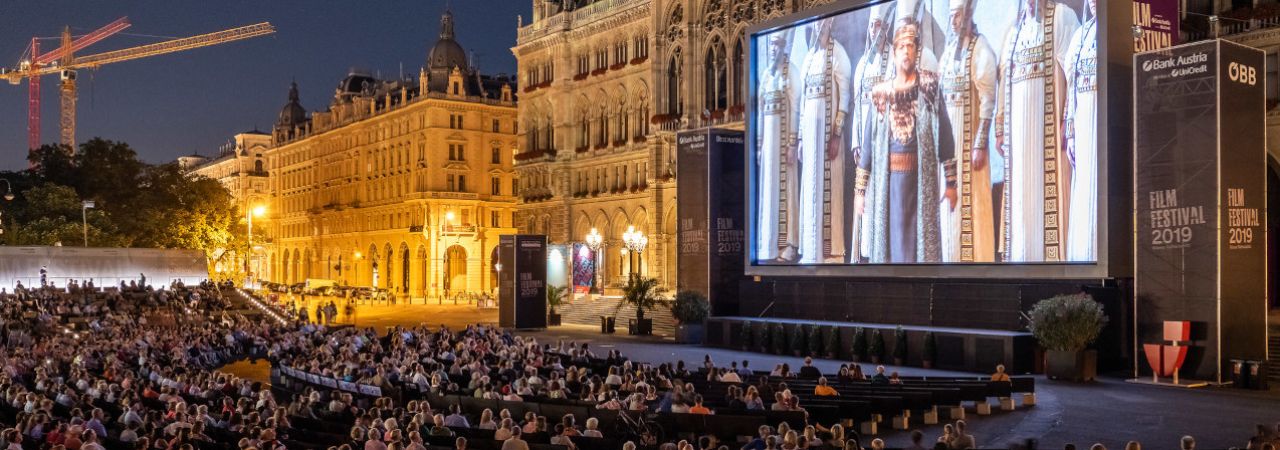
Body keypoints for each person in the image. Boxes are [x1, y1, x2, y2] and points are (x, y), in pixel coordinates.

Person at [858, 10, 954, 263]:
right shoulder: (880, 94)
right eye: (901, 46)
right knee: (890, 249)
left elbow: (945, 135)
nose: (906, 51)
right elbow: (868, 147)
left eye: (911, 46)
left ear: (917, 50)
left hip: (920, 181)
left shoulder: (929, 88)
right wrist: (860, 192)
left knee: (919, 251)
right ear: (894, 51)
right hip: (889, 185)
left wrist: (952, 184)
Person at [996, 0, 1079, 262]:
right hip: (1017, 137)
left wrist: (1068, 116)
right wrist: (1000, 127)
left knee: (1049, 196)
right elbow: (1003, 81)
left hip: (1050, 134)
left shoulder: (1062, 17)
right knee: (1021, 202)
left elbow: (1073, 72)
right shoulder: (1014, 30)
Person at [938, 0, 997, 262]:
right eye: (950, 16)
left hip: (969, 143)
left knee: (971, 203)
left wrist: (980, 142)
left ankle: (974, 262)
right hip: (949, 143)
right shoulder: (949, 50)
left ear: (968, 15)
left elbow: (988, 98)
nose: (953, 21)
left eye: (957, 15)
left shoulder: (980, 48)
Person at [796, 17, 852, 263]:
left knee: (830, 190)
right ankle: (811, 247)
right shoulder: (808, 58)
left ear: (830, 24)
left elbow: (846, 97)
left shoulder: (838, 53)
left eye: (823, 23)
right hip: (809, 137)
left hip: (829, 138)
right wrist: (799, 139)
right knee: (810, 188)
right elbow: (801, 103)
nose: (819, 27)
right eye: (816, 23)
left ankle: (831, 251)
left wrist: (837, 135)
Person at [848, 4, 894, 262]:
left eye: (881, 26)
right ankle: (863, 251)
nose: (877, 31)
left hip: (884, 140)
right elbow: (857, 105)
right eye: (874, 26)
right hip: (864, 146)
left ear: (886, 30)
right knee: (864, 195)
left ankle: (882, 252)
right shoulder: (863, 64)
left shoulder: (893, 61)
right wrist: (856, 143)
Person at [758, 29, 803, 262]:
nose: (774, 48)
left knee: (786, 191)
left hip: (785, 144)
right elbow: (759, 110)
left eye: (778, 44)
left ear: (784, 46)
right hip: (769, 145)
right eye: (771, 44)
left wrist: (792, 142)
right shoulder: (766, 75)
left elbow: (796, 108)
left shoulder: (792, 72)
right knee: (768, 192)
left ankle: (790, 243)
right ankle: (768, 244)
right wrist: (759, 144)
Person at [1063, 0, 1098, 262]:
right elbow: (1071, 89)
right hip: (1083, 120)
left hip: (1101, 119)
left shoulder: (1113, 37)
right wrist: (1071, 130)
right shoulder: (1080, 36)